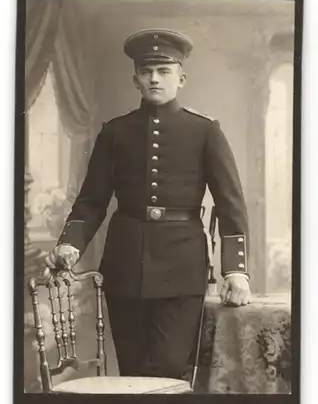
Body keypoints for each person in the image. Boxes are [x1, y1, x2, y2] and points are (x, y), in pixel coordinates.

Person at [44, 28, 252, 380]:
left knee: (171, 369)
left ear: (181, 78)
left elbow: (231, 204)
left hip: (182, 268)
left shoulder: (204, 131)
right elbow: (92, 200)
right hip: (125, 266)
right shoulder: (114, 132)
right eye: (146, 71)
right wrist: (70, 244)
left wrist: (236, 270)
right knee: (133, 370)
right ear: (136, 79)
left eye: (164, 71)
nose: (154, 78)